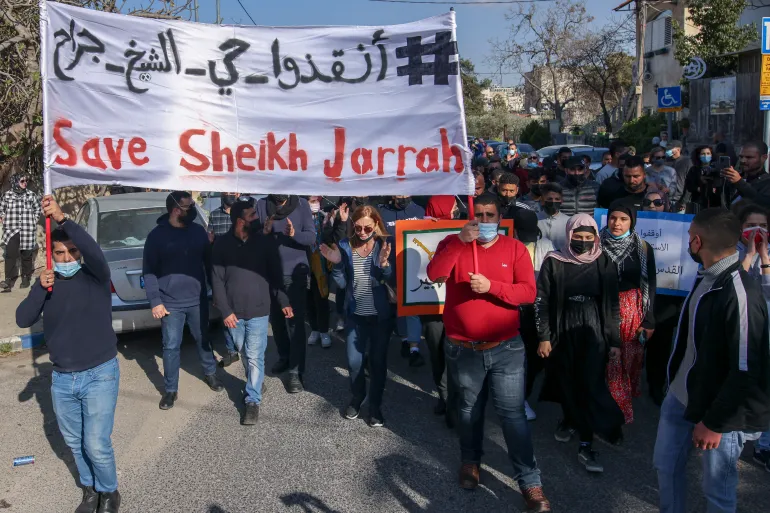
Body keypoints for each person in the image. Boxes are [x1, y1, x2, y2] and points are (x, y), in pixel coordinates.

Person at [426, 193, 551, 511]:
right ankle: (470, 462)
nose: (483, 221)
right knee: (469, 410)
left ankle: (530, 482)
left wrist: (492, 286)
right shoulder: (452, 243)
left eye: (490, 215)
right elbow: (434, 274)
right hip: (463, 347)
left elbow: (527, 292)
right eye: (478, 215)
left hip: (506, 347)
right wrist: (457, 242)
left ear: (499, 218)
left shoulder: (515, 248)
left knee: (513, 416)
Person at [654, 208, 770, 513]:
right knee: (666, 468)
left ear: (695, 241)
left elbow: (746, 369)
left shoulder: (740, 292)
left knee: (718, 492)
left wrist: (715, 423)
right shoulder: (706, 275)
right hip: (679, 398)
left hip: (720, 413)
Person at [16, 195, 122, 513]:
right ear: (52, 255)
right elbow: (23, 319)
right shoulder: (48, 285)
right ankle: (90, 490)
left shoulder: (96, 277)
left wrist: (63, 220)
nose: (67, 258)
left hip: (100, 373)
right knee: (75, 444)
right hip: (63, 379)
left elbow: (94, 253)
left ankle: (109, 492)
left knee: (96, 443)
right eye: (60, 253)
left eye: (72, 252)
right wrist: (38, 287)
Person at [535, 214, 624, 473]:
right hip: (562, 328)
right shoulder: (554, 261)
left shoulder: (604, 261)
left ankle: (586, 442)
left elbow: (611, 305)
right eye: (577, 237)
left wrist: (614, 340)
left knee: (589, 383)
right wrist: (544, 336)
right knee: (565, 378)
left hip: (592, 328)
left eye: (588, 238)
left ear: (596, 237)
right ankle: (569, 418)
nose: (583, 242)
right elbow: (542, 301)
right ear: (569, 234)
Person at [211, 198, 292, 425]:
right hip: (233, 314)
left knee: (255, 356)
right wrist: (225, 311)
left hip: (259, 311)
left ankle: (252, 401)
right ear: (239, 221)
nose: (256, 219)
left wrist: (283, 301)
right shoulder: (221, 245)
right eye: (252, 216)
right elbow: (216, 281)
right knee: (245, 353)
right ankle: (254, 382)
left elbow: (276, 276)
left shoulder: (264, 244)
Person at [143, 191, 223, 410]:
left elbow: (209, 264)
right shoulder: (156, 236)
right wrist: (155, 301)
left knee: (203, 339)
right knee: (170, 347)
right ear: (176, 210)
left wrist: (216, 291)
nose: (193, 211)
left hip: (198, 299)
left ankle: (210, 373)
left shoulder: (198, 232)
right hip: (170, 303)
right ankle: (170, 390)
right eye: (189, 207)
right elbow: (148, 272)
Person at [320, 206, 394, 427]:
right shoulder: (345, 245)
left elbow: (393, 278)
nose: (362, 232)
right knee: (354, 362)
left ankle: (375, 407)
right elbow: (341, 283)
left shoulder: (385, 246)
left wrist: (384, 265)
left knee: (378, 363)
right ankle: (357, 396)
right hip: (356, 315)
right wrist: (338, 263)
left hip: (381, 317)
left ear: (376, 226)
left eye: (367, 227)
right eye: (358, 227)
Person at [600, 200, 656, 427]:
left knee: (626, 360)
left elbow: (650, 284)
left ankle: (617, 408)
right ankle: (613, 410)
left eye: (623, 219)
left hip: (632, 311)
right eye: (613, 218)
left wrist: (649, 320)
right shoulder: (595, 244)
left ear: (632, 221)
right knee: (610, 362)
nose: (617, 223)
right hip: (603, 308)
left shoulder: (642, 248)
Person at [256, 194, 316, 393]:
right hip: (270, 273)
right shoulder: (262, 204)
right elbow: (254, 237)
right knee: (277, 321)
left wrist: (294, 234)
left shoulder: (302, 204)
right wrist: (263, 233)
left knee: (295, 324)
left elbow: (311, 237)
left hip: (295, 275)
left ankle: (295, 371)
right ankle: (284, 357)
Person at [734, 204, 770, 471]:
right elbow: (735, 284)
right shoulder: (732, 252)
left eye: (763, 226)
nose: (758, 231)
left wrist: (764, 256)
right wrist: (749, 254)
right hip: (741, 328)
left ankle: (764, 445)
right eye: (751, 225)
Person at [513, 208, 555, 423]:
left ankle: (523, 394)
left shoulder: (546, 244)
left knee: (533, 355)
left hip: (536, 307)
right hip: (513, 307)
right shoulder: (506, 243)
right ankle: (517, 399)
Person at [641, 190, 681, 406]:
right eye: (647, 202)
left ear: (667, 204)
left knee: (660, 347)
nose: (652, 206)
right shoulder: (633, 226)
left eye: (658, 202)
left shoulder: (680, 228)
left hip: (666, 299)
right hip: (637, 297)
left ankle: (656, 386)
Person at [379, 196, 426, 366]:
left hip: (414, 265)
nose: (403, 197)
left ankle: (414, 347)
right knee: (397, 304)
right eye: (399, 194)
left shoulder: (419, 211)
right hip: (391, 266)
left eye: (406, 194)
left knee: (411, 306)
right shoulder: (383, 212)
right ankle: (404, 338)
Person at [209, 193, 240, 368]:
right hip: (222, 272)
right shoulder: (214, 215)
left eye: (233, 193)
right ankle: (231, 350)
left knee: (242, 311)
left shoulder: (243, 213)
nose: (231, 195)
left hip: (241, 271)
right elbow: (210, 240)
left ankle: (244, 347)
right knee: (225, 311)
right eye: (227, 192)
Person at [0, 173, 41, 293]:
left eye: (26, 181)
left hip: (27, 229)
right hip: (11, 230)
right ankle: (8, 280)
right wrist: (3, 217)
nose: (25, 183)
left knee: (26, 255)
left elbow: (37, 208)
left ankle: (25, 278)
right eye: (22, 181)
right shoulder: (7, 195)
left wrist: (34, 220)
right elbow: (1, 208)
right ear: (15, 181)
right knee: (10, 255)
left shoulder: (31, 195)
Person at [306, 196, 333, 348]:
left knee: (321, 298)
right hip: (305, 262)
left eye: (316, 200)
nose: (314, 204)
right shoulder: (301, 217)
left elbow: (331, 238)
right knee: (308, 298)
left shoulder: (326, 217)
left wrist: (328, 224)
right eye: (311, 200)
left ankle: (324, 331)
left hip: (322, 264)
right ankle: (314, 329)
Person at [721, 141, 770, 208]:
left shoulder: (767, 182)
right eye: (741, 157)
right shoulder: (735, 177)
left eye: (749, 157)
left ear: (764, 158)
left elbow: (762, 202)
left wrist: (739, 182)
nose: (743, 161)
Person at [683, 145, 723, 212]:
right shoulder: (694, 170)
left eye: (708, 153)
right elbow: (689, 185)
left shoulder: (717, 169)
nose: (705, 156)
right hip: (698, 201)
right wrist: (699, 188)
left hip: (715, 202)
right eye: (703, 154)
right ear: (698, 155)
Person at [537, 183, 569, 250]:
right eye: (549, 199)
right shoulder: (534, 219)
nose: (553, 201)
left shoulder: (568, 221)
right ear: (542, 200)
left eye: (557, 199)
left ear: (562, 201)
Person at [666, 140, 691, 205]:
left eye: (670, 149)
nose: (668, 151)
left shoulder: (687, 162)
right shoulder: (665, 162)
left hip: (679, 200)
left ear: (678, 149)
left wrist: (684, 201)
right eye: (667, 149)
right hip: (665, 199)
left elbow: (689, 182)